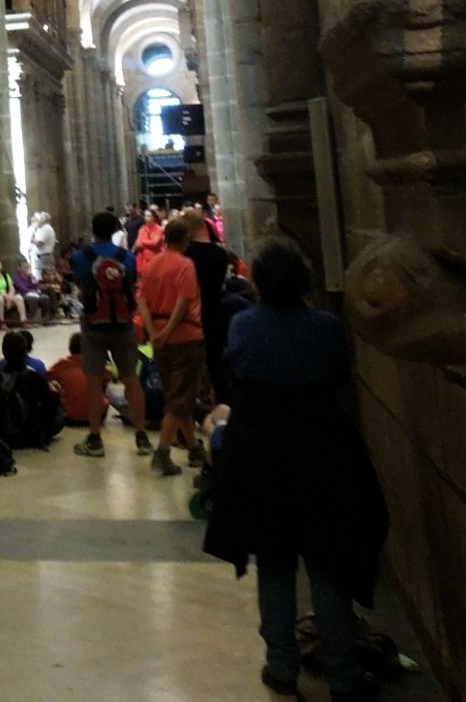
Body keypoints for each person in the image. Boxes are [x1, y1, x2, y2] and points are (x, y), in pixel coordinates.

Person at [203, 238, 388, 701]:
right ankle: (344, 675)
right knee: (328, 564)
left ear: (261, 283)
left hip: (261, 453)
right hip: (321, 450)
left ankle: (282, 665)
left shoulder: (244, 325)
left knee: (275, 561)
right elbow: (340, 377)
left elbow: (235, 376)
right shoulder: (326, 326)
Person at [70, 211, 150, 458]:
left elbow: (80, 285)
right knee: (131, 380)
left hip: (94, 325)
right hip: (123, 324)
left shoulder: (81, 256)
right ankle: (142, 435)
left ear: (93, 230)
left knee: (94, 382)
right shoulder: (127, 257)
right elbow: (131, 284)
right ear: (115, 229)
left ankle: (95, 439)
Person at [138, 212, 206, 476]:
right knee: (179, 399)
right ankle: (162, 453)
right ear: (186, 239)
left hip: (160, 339)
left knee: (179, 397)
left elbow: (142, 301)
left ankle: (193, 449)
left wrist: (154, 331)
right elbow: (184, 301)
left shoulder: (152, 265)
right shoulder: (185, 264)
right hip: (185, 337)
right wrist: (167, 331)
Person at [186, 209, 233, 407]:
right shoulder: (220, 253)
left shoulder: (187, 254)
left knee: (191, 361)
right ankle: (224, 402)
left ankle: (195, 403)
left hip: (192, 312)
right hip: (215, 307)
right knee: (215, 360)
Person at [48, 332, 108, 426]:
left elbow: (46, 377)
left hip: (69, 416)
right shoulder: (96, 363)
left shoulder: (61, 365)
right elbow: (109, 378)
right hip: (98, 417)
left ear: (70, 348)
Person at [0, 256, 28, 323]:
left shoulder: (6, 275)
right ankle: (2, 321)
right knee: (0, 299)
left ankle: (23, 320)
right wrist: (4, 296)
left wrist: (10, 296)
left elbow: (11, 287)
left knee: (19, 298)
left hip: (8, 295)